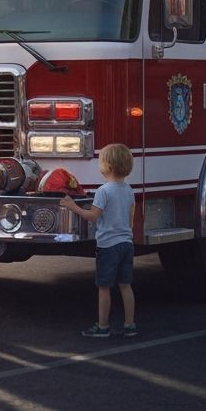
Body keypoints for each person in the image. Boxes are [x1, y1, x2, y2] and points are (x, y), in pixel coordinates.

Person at [61, 143, 137, 338]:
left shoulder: (103, 191)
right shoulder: (129, 190)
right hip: (126, 243)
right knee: (125, 285)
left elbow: (93, 216)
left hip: (108, 246)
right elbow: (131, 217)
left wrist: (72, 207)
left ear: (108, 166)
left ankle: (103, 326)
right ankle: (130, 325)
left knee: (104, 287)